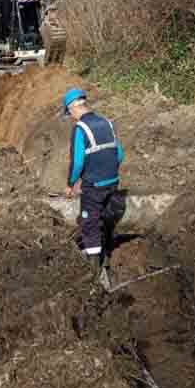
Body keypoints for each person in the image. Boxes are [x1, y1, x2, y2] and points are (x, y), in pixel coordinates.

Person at [62, 88, 125, 289]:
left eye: (69, 112)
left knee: (89, 225)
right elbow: (120, 154)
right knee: (105, 220)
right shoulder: (107, 123)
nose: (71, 116)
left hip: (94, 186)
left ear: (73, 108)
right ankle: (105, 257)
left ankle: (95, 272)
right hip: (112, 181)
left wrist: (71, 184)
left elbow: (78, 161)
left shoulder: (80, 129)